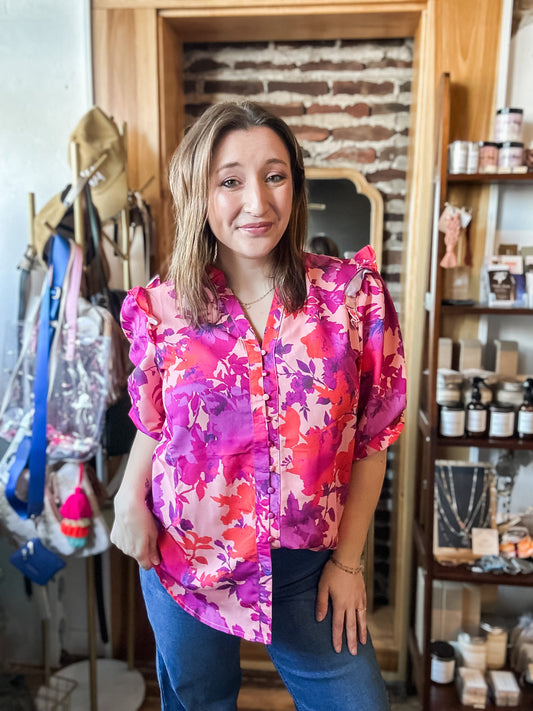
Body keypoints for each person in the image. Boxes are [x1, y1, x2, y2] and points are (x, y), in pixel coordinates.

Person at [110, 101, 407, 711]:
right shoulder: (163, 308)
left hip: (304, 570)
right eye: (230, 180)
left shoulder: (351, 299)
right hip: (184, 556)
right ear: (200, 192)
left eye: (274, 176)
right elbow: (156, 425)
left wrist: (348, 565)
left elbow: (374, 439)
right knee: (200, 702)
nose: (257, 202)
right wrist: (125, 497)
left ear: (295, 186)